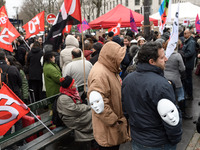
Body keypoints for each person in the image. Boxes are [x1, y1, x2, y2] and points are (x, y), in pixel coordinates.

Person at [122, 42, 182, 150]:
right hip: (159, 142)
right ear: (152, 61)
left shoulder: (128, 79)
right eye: (162, 57)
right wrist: (175, 139)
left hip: (138, 139)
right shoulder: (161, 85)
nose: (166, 59)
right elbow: (171, 120)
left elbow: (126, 110)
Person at [87, 41, 131, 150]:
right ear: (111, 57)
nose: (120, 61)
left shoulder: (108, 68)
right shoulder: (100, 74)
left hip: (111, 128)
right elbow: (98, 104)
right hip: (108, 129)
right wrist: (114, 121)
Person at [57, 75, 93, 149]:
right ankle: (93, 141)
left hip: (75, 116)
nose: (75, 84)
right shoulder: (63, 98)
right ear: (69, 86)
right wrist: (87, 107)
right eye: (73, 83)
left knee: (92, 115)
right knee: (92, 115)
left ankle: (93, 141)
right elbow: (74, 110)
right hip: (70, 119)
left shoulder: (70, 93)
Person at [182, 28, 197, 100]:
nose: (184, 34)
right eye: (184, 33)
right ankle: (188, 94)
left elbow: (190, 53)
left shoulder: (191, 42)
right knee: (187, 79)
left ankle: (189, 95)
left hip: (188, 63)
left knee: (188, 80)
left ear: (189, 34)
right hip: (187, 63)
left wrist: (183, 55)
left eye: (185, 33)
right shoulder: (188, 41)